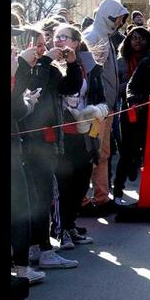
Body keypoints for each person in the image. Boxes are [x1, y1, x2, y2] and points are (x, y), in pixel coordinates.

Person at [16, 27, 83, 269]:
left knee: (42, 197)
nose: (45, 49)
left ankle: (38, 246)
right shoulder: (24, 69)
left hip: (48, 140)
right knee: (37, 198)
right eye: (40, 45)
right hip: (29, 143)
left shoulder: (46, 67)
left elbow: (69, 87)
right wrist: (44, 60)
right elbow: (35, 87)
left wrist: (73, 65)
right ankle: (41, 249)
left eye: (45, 45)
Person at [53, 24, 107, 250]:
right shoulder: (51, 65)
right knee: (64, 183)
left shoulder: (90, 67)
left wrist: (97, 110)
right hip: (61, 134)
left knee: (82, 178)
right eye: (55, 37)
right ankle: (61, 229)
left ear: (75, 42)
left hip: (84, 132)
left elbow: (100, 95)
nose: (58, 41)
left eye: (63, 37)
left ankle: (70, 224)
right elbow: (65, 89)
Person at [82, 0, 129, 211]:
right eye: (118, 18)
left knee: (103, 154)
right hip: (96, 108)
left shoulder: (104, 36)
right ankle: (83, 200)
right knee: (93, 153)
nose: (120, 23)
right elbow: (92, 76)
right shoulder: (93, 37)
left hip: (106, 106)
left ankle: (101, 197)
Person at [11, 26, 46, 284]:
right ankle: (22, 270)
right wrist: (21, 66)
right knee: (20, 207)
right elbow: (14, 108)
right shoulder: (18, 65)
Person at [112, 26, 150, 205]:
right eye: (134, 38)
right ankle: (118, 191)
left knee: (149, 152)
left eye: (141, 38)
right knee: (127, 152)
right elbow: (116, 87)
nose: (137, 41)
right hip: (128, 110)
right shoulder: (121, 61)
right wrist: (130, 86)